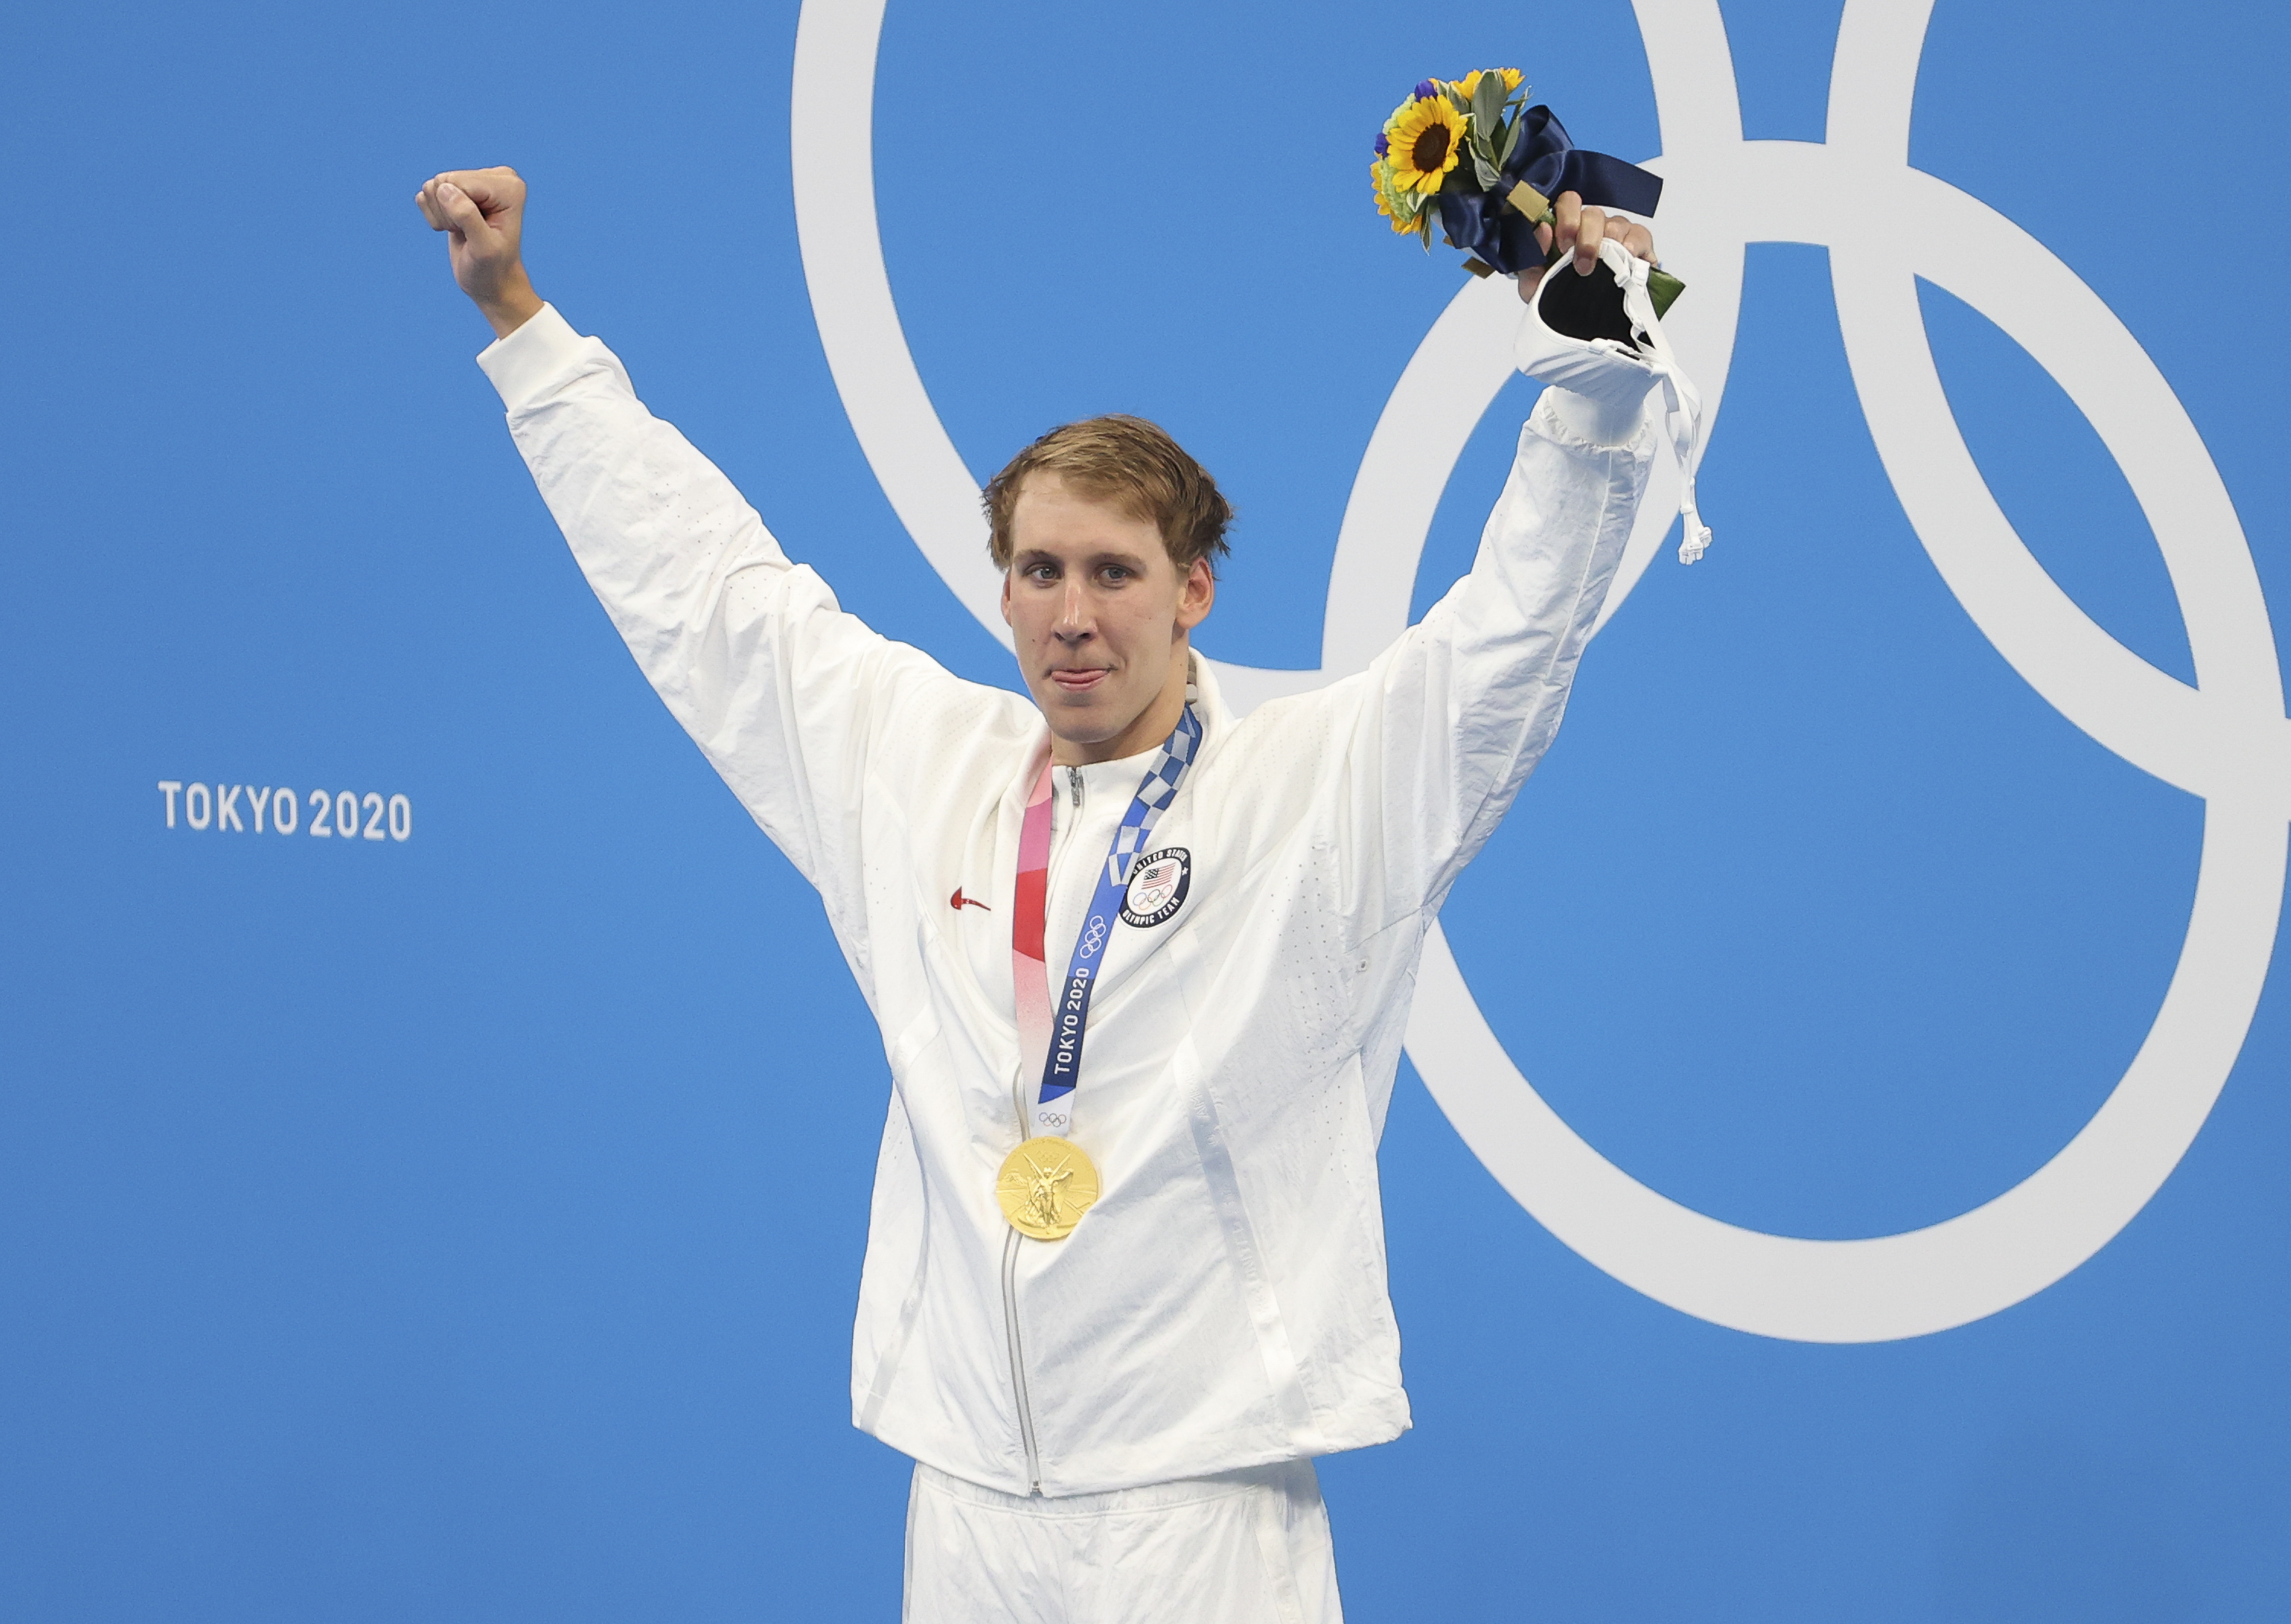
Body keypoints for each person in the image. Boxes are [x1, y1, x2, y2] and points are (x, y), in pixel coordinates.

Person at [419, 163, 1671, 1624]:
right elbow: (708, 591)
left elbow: (1508, 641)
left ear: (1195, 591)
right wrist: (523, 325)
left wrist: (1593, 389)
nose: (1073, 615)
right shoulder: (912, 764)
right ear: (1002, 587)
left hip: (1200, 1510)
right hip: (965, 1503)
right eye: (1039, 570)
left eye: (1115, 573)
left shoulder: (1322, 793)